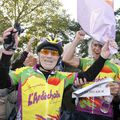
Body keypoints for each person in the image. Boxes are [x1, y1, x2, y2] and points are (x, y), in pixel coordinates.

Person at [1, 28, 111, 120]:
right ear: (38, 55)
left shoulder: (62, 77)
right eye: (45, 52)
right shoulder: (24, 72)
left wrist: (102, 57)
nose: (49, 56)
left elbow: (88, 76)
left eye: (54, 53)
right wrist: (7, 53)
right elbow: (2, 82)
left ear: (58, 58)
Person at [62, 30, 120, 120]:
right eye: (94, 44)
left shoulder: (116, 68)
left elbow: (117, 97)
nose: (96, 49)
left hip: (104, 114)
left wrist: (117, 93)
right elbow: (66, 59)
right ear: (90, 45)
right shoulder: (86, 62)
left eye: (100, 46)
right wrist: (77, 39)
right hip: (82, 112)